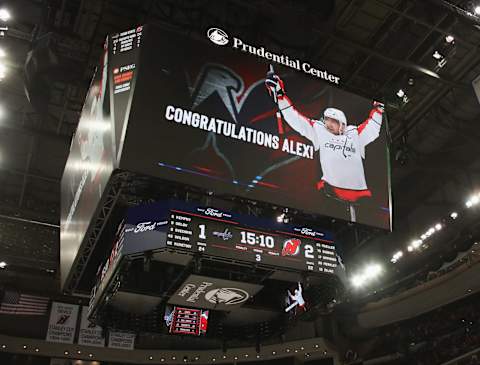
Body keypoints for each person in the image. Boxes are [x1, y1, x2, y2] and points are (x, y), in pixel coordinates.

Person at [265, 72, 384, 204]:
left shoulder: (355, 133)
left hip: (361, 194)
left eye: (333, 121)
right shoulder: (319, 130)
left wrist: (379, 109)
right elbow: (295, 118)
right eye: (327, 120)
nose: (329, 124)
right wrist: (280, 95)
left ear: (342, 124)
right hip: (330, 190)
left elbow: (373, 126)